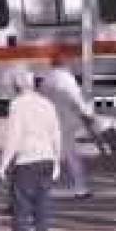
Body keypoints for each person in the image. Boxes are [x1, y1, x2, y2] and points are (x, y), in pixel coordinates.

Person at [0, 71, 62, 231]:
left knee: (21, 207)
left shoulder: (17, 105)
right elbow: (56, 134)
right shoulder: (47, 104)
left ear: (17, 87)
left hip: (26, 160)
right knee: (42, 206)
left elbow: (14, 137)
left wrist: (4, 162)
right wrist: (57, 160)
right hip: (46, 159)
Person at [38, 66, 95, 199]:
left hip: (51, 121)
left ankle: (41, 186)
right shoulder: (67, 79)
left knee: (48, 155)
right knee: (71, 156)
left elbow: (42, 98)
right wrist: (87, 114)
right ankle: (80, 188)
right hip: (66, 123)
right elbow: (76, 99)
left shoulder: (48, 78)